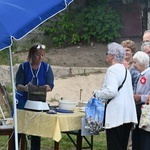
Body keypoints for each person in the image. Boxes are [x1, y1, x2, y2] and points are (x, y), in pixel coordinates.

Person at [93, 42, 137, 150]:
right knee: (122, 146)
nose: (106, 56)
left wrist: (97, 93)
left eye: (107, 53)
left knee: (114, 146)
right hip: (127, 115)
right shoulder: (125, 70)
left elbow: (111, 92)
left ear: (112, 56)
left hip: (116, 115)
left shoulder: (112, 70)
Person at [13, 43, 54, 150]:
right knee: (19, 128)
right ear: (31, 54)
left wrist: (38, 89)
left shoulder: (47, 68)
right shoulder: (23, 67)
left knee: (36, 128)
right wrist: (26, 88)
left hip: (37, 102)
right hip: (22, 101)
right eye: (37, 55)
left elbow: (50, 86)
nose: (40, 57)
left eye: (42, 55)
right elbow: (18, 85)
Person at [132, 51, 150, 150]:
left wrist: (141, 97)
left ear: (142, 63)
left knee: (144, 136)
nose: (133, 65)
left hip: (145, 108)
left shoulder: (149, 74)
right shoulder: (141, 74)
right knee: (137, 135)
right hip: (139, 107)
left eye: (135, 62)